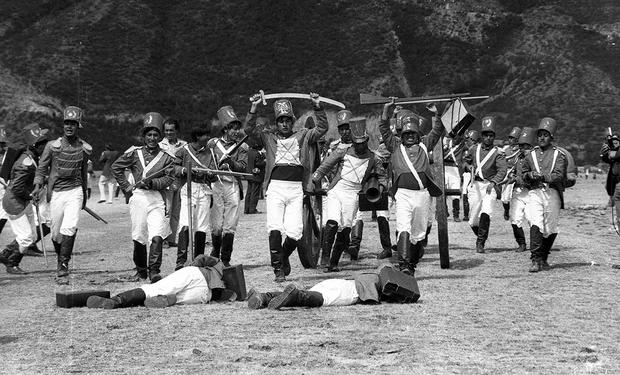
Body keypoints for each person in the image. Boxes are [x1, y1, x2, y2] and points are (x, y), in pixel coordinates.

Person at [244, 93, 328, 282]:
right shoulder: (268, 137)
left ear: (292, 121)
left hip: (296, 189)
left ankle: (281, 258)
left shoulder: (304, 135)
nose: (284, 124)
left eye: (287, 120)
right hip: (276, 188)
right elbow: (248, 130)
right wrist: (254, 108)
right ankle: (278, 270)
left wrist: (317, 106)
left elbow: (322, 128)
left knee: (295, 232)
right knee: (274, 227)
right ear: (277, 122)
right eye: (281, 121)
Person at [311, 118, 387, 272]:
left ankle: (334, 262)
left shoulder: (374, 157)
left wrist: (382, 186)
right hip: (337, 190)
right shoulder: (342, 151)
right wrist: (314, 179)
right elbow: (326, 166)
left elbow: (382, 176)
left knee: (345, 229)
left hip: (353, 195)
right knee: (332, 222)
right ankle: (325, 260)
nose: (359, 146)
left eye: (362, 142)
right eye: (357, 143)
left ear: (366, 140)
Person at [379, 100, 444, 275]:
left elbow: (437, 131)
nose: (409, 136)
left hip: (422, 195)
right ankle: (404, 266)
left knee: (419, 234)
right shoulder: (395, 146)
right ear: (402, 135)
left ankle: (412, 263)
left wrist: (436, 114)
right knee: (404, 228)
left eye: (412, 133)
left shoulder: (425, 144)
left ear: (418, 134)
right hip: (403, 195)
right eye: (406, 133)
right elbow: (384, 129)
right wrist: (386, 110)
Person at [111, 112, 176, 283]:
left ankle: (154, 271)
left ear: (160, 137)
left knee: (157, 234)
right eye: (149, 135)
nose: (152, 138)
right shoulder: (134, 153)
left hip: (156, 197)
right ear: (144, 136)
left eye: (155, 135)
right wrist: (126, 187)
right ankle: (141, 271)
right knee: (139, 234)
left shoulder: (167, 157)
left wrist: (153, 183)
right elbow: (116, 167)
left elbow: (169, 178)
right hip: (138, 197)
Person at [33, 106, 92, 277]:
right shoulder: (52, 146)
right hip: (56, 193)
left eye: (73, 123)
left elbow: (82, 172)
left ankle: (63, 264)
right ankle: (62, 257)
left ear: (78, 126)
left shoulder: (84, 148)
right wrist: (37, 186)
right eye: (67, 123)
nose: (69, 127)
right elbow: (41, 169)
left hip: (75, 191)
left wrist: (85, 193)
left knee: (70, 226)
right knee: (56, 233)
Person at [86, 254, 230, 309]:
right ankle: (168, 300)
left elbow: (202, 258)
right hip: (205, 295)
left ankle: (116, 301)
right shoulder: (231, 287)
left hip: (197, 275)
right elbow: (233, 296)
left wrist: (191, 266)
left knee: (154, 288)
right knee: (177, 297)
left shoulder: (219, 265)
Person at [247, 265, 416, 310]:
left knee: (314, 293)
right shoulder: (374, 284)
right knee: (318, 299)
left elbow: (384, 268)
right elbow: (371, 299)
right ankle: (293, 295)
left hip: (338, 282)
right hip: (349, 291)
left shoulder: (371, 276)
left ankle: (264, 297)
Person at [0, 124, 50, 274]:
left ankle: (5, 254)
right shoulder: (25, 163)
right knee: (26, 238)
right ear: (35, 146)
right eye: (42, 143)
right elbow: (16, 187)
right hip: (15, 203)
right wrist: (30, 195)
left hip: (23, 201)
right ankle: (12, 264)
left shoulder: (31, 158)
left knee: (33, 235)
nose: (45, 145)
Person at [522, 117, 566, 272]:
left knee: (551, 228)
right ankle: (535, 259)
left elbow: (559, 175)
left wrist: (544, 176)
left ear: (551, 137)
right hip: (535, 192)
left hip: (552, 193)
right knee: (536, 222)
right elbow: (523, 173)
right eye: (539, 134)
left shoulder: (558, 155)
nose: (542, 138)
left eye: (545, 135)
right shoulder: (530, 155)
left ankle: (543, 257)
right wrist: (529, 176)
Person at [206, 106, 248, 267]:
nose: (236, 132)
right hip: (215, 185)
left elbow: (243, 168)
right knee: (216, 224)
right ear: (225, 129)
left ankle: (225, 258)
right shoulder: (212, 144)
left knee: (230, 224)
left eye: (238, 129)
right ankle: (215, 251)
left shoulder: (242, 147)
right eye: (233, 128)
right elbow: (206, 162)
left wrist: (231, 163)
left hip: (232, 186)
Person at [172, 127, 215, 271]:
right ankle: (181, 261)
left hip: (204, 190)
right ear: (197, 136)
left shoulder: (211, 153)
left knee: (202, 225)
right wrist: (186, 170)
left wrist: (210, 174)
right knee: (185, 222)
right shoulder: (184, 151)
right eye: (205, 135)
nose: (208, 138)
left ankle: (199, 260)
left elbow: (215, 173)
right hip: (188, 188)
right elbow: (174, 168)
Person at [463, 116, 507, 253]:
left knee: (486, 211)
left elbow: (502, 170)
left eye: (491, 135)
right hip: (475, 185)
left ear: (494, 137)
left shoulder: (498, 153)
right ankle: (482, 236)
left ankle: (480, 243)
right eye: (486, 135)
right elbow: (465, 161)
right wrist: (467, 166)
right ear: (482, 136)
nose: (488, 138)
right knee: (473, 221)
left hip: (489, 186)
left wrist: (494, 182)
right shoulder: (474, 149)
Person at [159, 118, 187, 248]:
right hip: (166, 183)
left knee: (176, 212)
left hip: (181, 182)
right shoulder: (159, 146)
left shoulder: (184, 145)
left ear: (177, 131)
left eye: (171, 130)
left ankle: (171, 239)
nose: (169, 133)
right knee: (166, 211)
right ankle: (163, 239)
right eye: (166, 130)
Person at [507, 127, 535, 252]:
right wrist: (512, 176)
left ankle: (536, 244)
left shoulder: (535, 160)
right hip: (518, 191)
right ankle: (521, 243)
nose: (523, 149)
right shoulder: (517, 158)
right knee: (515, 218)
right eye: (521, 146)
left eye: (526, 146)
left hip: (531, 192)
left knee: (532, 218)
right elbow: (512, 171)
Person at [442, 133, 466, 222]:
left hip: (455, 169)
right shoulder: (445, 142)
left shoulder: (462, 145)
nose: (457, 138)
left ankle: (456, 214)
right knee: (442, 191)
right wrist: (444, 145)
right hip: (444, 168)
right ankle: (443, 211)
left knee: (455, 193)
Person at [500, 127, 522, 220]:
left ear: (517, 140)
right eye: (510, 138)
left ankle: (516, 212)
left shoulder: (520, 150)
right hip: (507, 173)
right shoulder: (505, 149)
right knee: (505, 198)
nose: (510, 140)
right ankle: (506, 210)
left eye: (512, 138)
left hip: (516, 173)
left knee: (517, 194)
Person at [461, 129, 482, 222]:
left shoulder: (479, 149)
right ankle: (466, 214)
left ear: (473, 140)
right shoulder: (466, 149)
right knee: (465, 192)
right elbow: (464, 163)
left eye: (468, 140)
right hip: (468, 174)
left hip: (479, 176)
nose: (466, 142)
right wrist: (468, 166)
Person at [601, 132, 620, 229]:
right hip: (615, 184)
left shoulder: (616, 152)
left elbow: (614, 156)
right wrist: (604, 153)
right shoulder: (614, 152)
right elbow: (607, 159)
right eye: (613, 142)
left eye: (617, 142)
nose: (615, 143)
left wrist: (610, 149)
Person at [244, 140, 265, 214]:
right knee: (255, 193)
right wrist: (265, 160)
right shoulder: (257, 153)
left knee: (249, 193)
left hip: (249, 175)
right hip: (256, 175)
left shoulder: (249, 152)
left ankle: (247, 209)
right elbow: (258, 163)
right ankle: (252, 209)